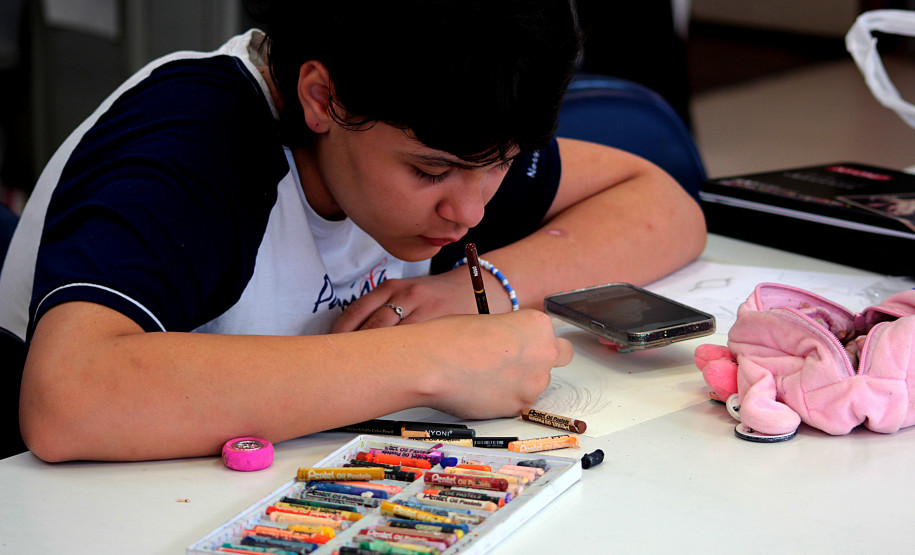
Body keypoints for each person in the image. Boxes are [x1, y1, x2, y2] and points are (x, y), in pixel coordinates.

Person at [0, 0, 706, 462]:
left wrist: (480, 288)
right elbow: (67, 399)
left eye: (502, 164)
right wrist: (429, 360)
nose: (469, 213)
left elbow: (662, 205)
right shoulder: (193, 141)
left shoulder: (448, 124)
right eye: (430, 172)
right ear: (321, 98)